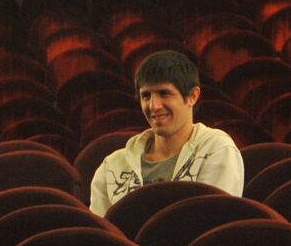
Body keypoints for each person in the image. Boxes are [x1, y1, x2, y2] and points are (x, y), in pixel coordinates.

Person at [89, 49, 244, 214]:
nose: (153, 106)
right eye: (146, 96)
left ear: (192, 96)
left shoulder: (217, 150)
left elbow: (214, 220)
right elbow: (100, 227)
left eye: (164, 93)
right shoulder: (112, 166)